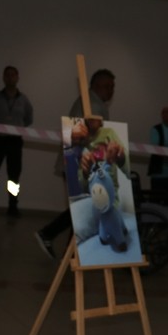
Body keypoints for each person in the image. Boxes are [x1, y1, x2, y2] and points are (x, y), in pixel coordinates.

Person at [36, 68, 115, 259]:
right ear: (97, 86)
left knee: (81, 209)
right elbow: (93, 139)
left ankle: (71, 254)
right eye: (108, 87)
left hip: (78, 163)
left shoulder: (90, 103)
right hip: (81, 165)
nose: (111, 91)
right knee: (83, 208)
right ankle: (53, 237)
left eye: (112, 87)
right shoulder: (91, 107)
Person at [0, 65, 34, 218]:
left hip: (15, 142)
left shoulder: (24, 100)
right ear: (4, 78)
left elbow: (29, 119)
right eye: (7, 75)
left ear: (17, 77)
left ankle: (12, 207)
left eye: (13, 75)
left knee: (14, 178)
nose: (10, 78)